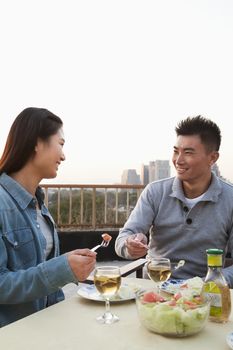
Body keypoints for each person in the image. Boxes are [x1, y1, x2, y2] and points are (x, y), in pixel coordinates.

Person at [0, 107, 96, 327]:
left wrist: (67, 266)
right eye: (60, 144)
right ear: (36, 142)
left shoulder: (39, 205)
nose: (63, 155)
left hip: (45, 330)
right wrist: (61, 269)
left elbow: (46, 281)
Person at [115, 115, 233, 287]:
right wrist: (130, 245)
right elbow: (122, 239)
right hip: (156, 291)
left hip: (205, 294)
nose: (178, 160)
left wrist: (206, 283)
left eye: (188, 152)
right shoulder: (155, 192)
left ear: (212, 158)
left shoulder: (230, 199)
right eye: (176, 151)